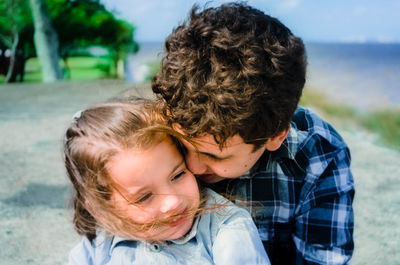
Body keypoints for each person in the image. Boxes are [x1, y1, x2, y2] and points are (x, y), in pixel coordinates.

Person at [152, 3, 355, 265]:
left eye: (215, 156)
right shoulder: (148, 134)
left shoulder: (318, 153)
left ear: (276, 136)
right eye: (181, 143)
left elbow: (322, 259)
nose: (190, 166)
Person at [64, 97, 270, 265]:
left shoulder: (227, 229)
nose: (172, 202)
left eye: (178, 175)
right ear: (100, 209)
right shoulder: (97, 246)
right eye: (144, 197)